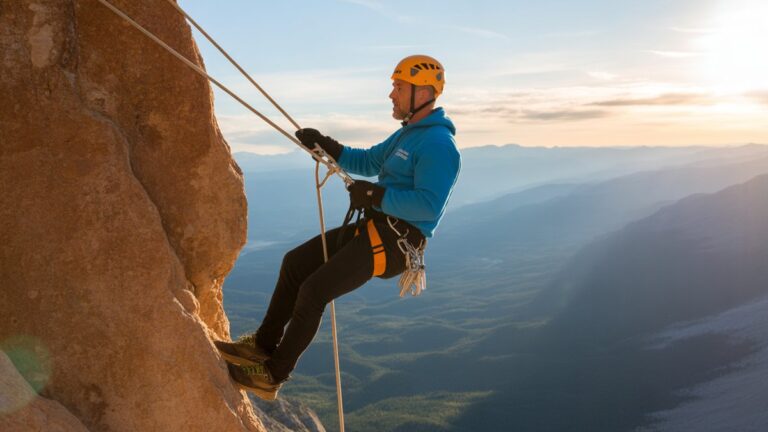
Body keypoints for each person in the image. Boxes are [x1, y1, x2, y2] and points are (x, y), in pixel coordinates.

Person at [216, 54, 461, 400]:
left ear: (423, 93)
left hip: (396, 243)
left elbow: (428, 205)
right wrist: (328, 146)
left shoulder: (439, 145)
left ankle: (273, 375)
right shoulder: (407, 136)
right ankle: (262, 345)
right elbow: (369, 160)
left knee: (314, 291)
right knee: (295, 264)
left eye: (398, 87)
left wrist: (377, 194)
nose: (391, 94)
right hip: (378, 227)